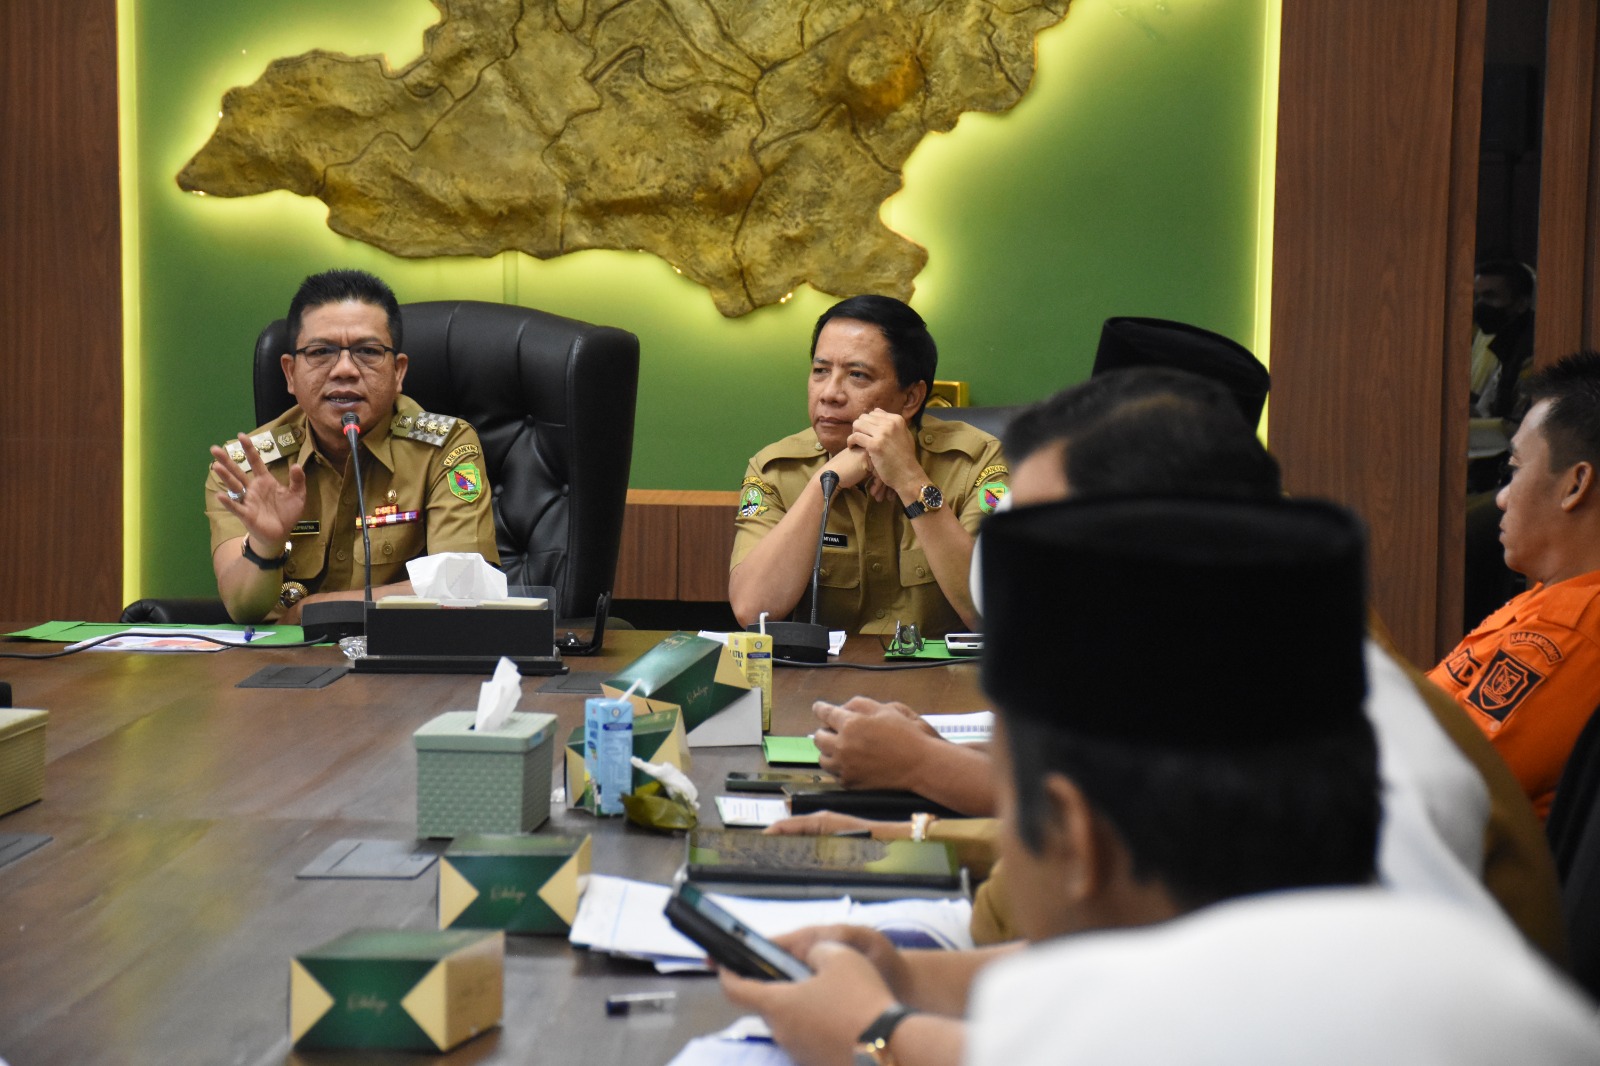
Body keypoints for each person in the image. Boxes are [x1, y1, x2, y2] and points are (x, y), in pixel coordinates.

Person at [720, 497, 1600, 1066]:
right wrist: (908, 982)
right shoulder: (1448, 961)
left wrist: (872, 1035)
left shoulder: (1164, 1027)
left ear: (1074, 835)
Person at [781, 366, 1566, 960]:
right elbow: (1124, 853)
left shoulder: (1354, 757)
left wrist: (891, 1028)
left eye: (1060, 555)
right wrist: (909, 845)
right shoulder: (1227, 661)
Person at [205, 269, 499, 623]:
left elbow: (465, 585)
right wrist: (264, 548)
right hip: (282, 667)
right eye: (321, 351)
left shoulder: (443, 448)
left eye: (367, 351)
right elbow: (243, 609)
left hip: (402, 663)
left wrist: (315, 609)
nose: (344, 369)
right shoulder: (248, 470)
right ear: (289, 374)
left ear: (398, 372)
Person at [728, 296, 1007, 638]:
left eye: (857, 375)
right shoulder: (776, 469)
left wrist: (909, 479)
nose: (829, 393)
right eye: (820, 371)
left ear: (910, 398)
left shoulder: (977, 462)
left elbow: (991, 614)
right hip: (818, 687)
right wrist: (823, 484)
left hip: (940, 684)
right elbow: (752, 610)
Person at [1432, 351, 1600, 819]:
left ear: (1574, 485)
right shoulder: (1553, 600)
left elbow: (1433, 785)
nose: (1502, 496)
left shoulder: (1567, 635)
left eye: (1515, 468)